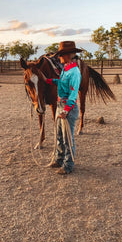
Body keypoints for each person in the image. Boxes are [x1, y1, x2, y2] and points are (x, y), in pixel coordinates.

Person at [40, 41, 82, 175]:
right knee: (59, 135)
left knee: (67, 137)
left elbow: (73, 93)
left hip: (67, 108)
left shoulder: (74, 72)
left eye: (61, 55)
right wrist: (47, 80)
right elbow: (61, 82)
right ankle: (59, 159)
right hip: (60, 105)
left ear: (67, 55)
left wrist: (66, 110)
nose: (58, 57)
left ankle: (68, 165)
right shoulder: (66, 69)